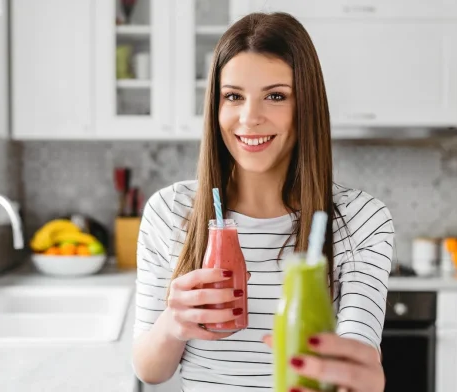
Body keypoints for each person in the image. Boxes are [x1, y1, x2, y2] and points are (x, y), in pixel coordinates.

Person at [132, 12, 394, 392]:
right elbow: (149, 370)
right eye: (233, 96)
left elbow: (357, 344)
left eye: (275, 96)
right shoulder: (170, 211)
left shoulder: (361, 220)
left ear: (306, 105)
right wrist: (174, 322)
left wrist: (353, 372)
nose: (249, 117)